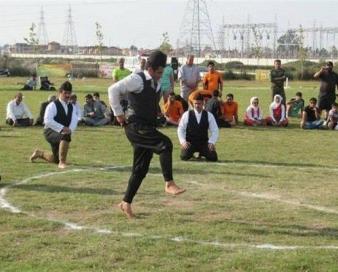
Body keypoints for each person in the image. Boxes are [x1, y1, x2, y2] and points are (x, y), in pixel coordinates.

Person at [108, 50, 185, 219]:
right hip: (135, 125)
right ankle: (169, 183)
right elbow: (113, 89)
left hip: (147, 125)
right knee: (165, 144)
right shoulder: (137, 79)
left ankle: (125, 203)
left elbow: (149, 101)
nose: (160, 76)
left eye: (162, 72)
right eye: (158, 72)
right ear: (150, 68)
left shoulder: (156, 84)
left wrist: (159, 111)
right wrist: (118, 113)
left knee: (140, 168)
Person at [30, 81, 78, 169]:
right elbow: (47, 121)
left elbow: (74, 120)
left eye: (69, 93)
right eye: (65, 93)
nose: (67, 95)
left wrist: (70, 129)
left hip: (62, 132)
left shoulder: (72, 106)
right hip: (49, 131)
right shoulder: (52, 105)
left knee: (55, 159)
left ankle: (40, 153)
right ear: (60, 92)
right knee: (65, 136)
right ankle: (62, 162)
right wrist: (62, 128)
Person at [178, 94, 219, 162]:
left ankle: (202, 153)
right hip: (190, 143)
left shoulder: (209, 115)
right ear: (193, 103)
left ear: (203, 103)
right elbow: (181, 129)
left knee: (213, 157)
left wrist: (211, 142)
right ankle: (191, 153)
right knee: (184, 157)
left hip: (203, 143)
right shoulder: (186, 114)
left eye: (199, 103)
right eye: (195, 103)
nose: (197, 105)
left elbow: (215, 130)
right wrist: (183, 142)